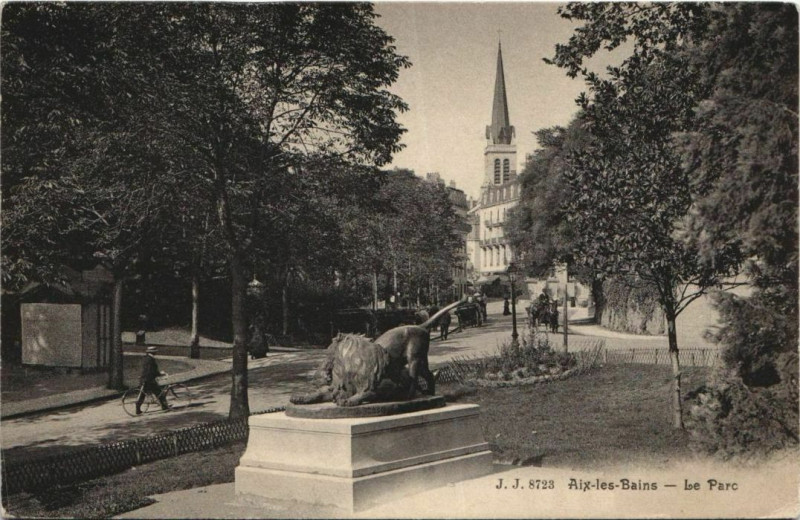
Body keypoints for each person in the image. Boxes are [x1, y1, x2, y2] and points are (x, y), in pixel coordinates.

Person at [136, 346, 170, 414]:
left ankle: (138, 409)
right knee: (159, 392)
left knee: (143, 395)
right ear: (153, 352)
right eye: (155, 352)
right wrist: (160, 374)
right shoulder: (150, 359)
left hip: (145, 379)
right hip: (149, 380)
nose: (156, 353)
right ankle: (164, 406)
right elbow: (151, 371)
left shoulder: (146, 358)